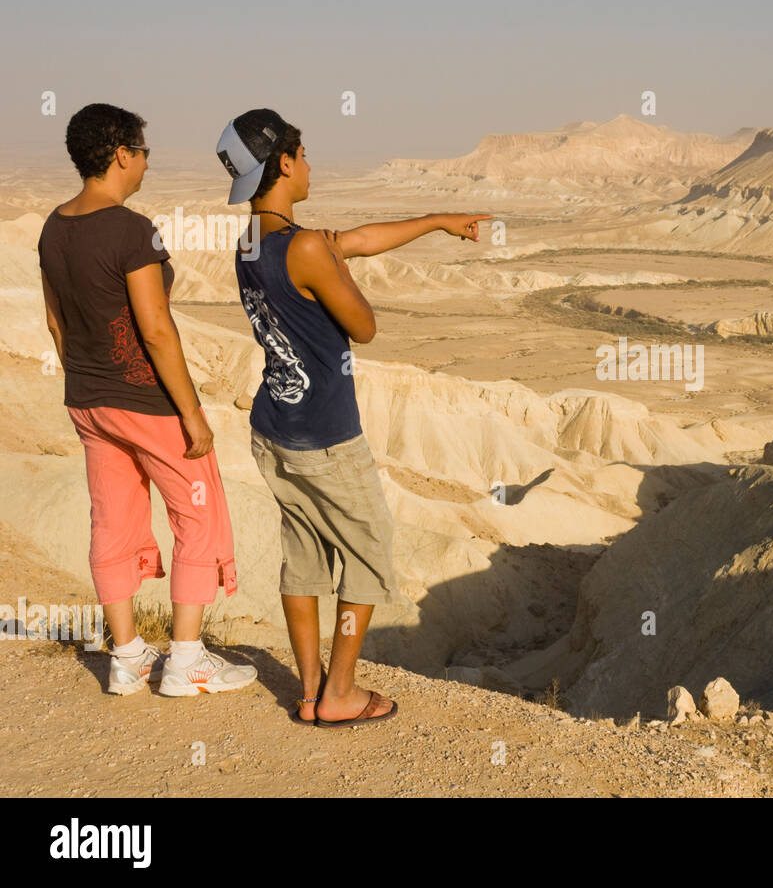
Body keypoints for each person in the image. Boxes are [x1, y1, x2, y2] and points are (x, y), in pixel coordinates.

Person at [216, 108, 489, 727]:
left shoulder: (253, 241)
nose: (310, 164)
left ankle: (310, 690)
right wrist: (336, 269)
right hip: (326, 437)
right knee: (368, 554)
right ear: (283, 163)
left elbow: (356, 241)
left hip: (274, 427)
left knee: (304, 555)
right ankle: (340, 692)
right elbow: (364, 326)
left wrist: (438, 222)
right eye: (303, 153)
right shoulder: (306, 247)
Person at [39, 103, 255, 697]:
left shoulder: (54, 226)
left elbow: (57, 324)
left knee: (112, 522)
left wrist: (88, 379)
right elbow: (157, 330)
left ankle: (128, 657)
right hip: (147, 404)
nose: (146, 163)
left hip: (87, 401)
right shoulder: (132, 229)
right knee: (199, 517)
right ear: (121, 155)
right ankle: (186, 662)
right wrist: (191, 415)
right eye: (143, 151)